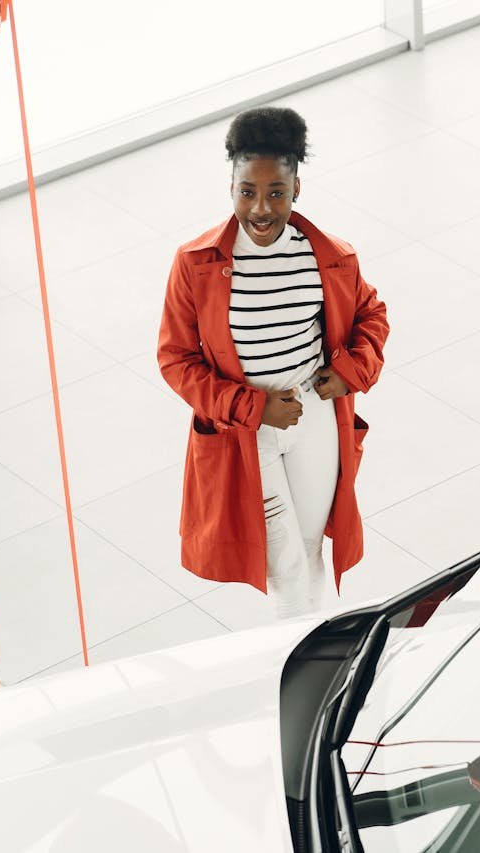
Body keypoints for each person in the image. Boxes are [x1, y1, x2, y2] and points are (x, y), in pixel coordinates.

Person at [157, 106, 389, 619]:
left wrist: (348, 372)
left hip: (315, 418)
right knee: (284, 564)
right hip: (247, 430)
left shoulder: (328, 257)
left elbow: (372, 314)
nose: (261, 209)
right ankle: (300, 671)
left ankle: (318, 664)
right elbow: (175, 358)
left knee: (307, 551)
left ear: (296, 188)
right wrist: (253, 408)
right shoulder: (196, 264)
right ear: (231, 187)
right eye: (247, 191)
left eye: (276, 193)